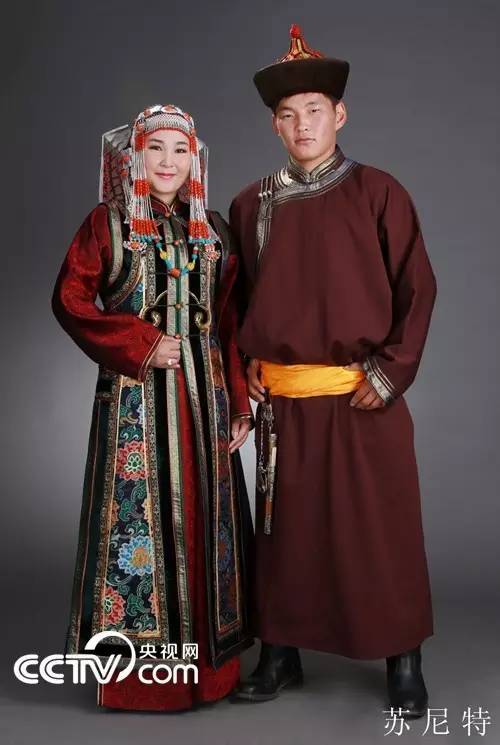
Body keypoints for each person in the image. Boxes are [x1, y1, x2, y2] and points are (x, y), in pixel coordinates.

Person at [229, 26, 437, 718]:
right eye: (288, 115)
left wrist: (390, 372)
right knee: (284, 536)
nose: (302, 125)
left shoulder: (379, 193)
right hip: (284, 403)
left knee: (378, 530)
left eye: (314, 110)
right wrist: (245, 367)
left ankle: (402, 656)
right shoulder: (251, 205)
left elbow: (417, 288)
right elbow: (237, 302)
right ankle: (279, 652)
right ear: (274, 125)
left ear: (339, 114)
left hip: (360, 393)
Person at [52, 104, 254, 711]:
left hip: (206, 399)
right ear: (134, 156)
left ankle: (213, 673)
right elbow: (70, 299)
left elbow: (230, 322)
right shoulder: (107, 224)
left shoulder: (213, 229)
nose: (169, 161)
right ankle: (142, 683)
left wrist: (239, 401)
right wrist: (140, 344)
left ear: (196, 159)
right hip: (136, 404)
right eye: (156, 148)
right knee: (141, 525)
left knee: (207, 521)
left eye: (180, 149)